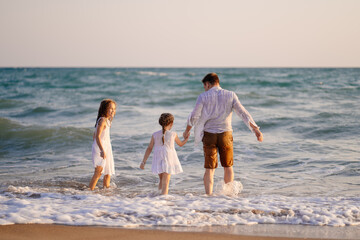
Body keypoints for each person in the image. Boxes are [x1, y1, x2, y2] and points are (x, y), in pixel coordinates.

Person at [183, 73, 263, 195]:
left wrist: (187, 130)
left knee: (209, 169)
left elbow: (194, 116)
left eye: (204, 86)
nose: (204, 89)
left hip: (209, 135)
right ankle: (228, 197)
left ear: (208, 84)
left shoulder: (203, 97)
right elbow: (243, 113)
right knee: (228, 166)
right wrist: (255, 129)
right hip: (226, 134)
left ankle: (208, 197)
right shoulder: (231, 95)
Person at [140, 113, 189, 195]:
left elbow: (149, 148)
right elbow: (180, 144)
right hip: (168, 159)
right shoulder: (173, 134)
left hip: (158, 159)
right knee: (166, 183)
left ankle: (158, 197)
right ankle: (163, 201)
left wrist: (143, 162)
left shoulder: (155, 134)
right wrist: (186, 139)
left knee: (162, 180)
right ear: (171, 123)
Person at [89, 99, 117, 190]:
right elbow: (97, 136)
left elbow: (94, 135)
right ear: (105, 109)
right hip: (101, 148)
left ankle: (106, 191)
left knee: (108, 172)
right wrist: (101, 149)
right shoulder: (102, 121)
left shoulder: (107, 121)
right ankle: (90, 191)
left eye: (114, 109)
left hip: (106, 147)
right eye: (110, 108)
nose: (113, 111)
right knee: (98, 172)